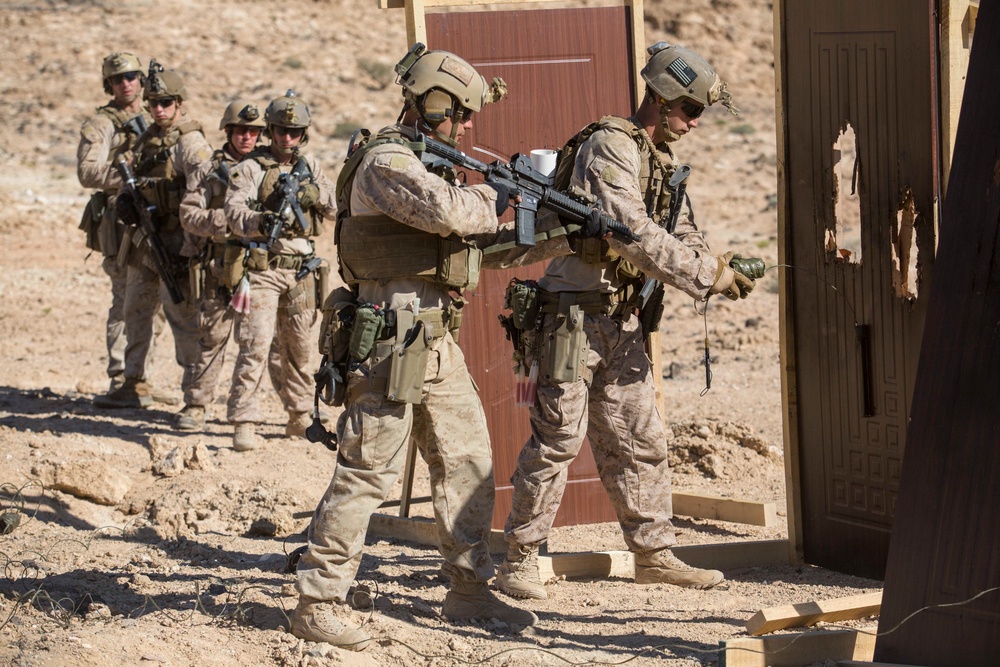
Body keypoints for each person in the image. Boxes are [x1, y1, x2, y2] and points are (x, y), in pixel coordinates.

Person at [290, 44, 536, 651]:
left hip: (432, 336)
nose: (469, 127)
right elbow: (449, 211)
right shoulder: (387, 161)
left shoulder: (426, 161)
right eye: (463, 114)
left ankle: (468, 587)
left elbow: (461, 243)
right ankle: (318, 599)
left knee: (467, 460)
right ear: (433, 104)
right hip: (388, 339)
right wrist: (496, 195)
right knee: (367, 471)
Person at [495, 41, 756, 601]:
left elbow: (679, 230)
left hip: (622, 322)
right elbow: (630, 232)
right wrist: (705, 275)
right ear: (662, 99)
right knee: (556, 440)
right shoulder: (609, 146)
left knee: (640, 439)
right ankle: (518, 558)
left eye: (699, 114)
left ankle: (654, 555)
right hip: (572, 320)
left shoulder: (658, 160)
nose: (693, 123)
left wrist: (714, 267)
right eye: (690, 110)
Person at [222, 90, 335, 451]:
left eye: (295, 132)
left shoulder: (311, 167)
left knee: (300, 347)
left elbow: (336, 206)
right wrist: (262, 218)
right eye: (281, 131)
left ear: (304, 134)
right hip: (263, 268)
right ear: (270, 130)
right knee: (254, 345)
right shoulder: (251, 168)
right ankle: (244, 419)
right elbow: (232, 212)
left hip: (301, 271)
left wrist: (313, 195)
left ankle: (300, 414)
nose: (287, 139)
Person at [97, 62, 213, 409]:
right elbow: (125, 175)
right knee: (135, 311)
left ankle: (195, 401)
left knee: (184, 322)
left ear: (179, 103)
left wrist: (191, 248)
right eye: (152, 103)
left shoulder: (191, 144)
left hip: (178, 246)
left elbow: (204, 195)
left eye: (165, 103)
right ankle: (134, 382)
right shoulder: (148, 138)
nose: (158, 110)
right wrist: (124, 204)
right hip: (143, 244)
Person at [175, 99, 284, 434]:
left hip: (258, 268)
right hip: (216, 266)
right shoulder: (209, 170)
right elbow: (189, 214)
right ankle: (196, 404)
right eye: (240, 131)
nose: (247, 137)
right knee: (210, 338)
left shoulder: (269, 168)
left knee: (255, 344)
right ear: (228, 132)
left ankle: (244, 417)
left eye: (253, 131)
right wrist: (233, 221)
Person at [77, 52, 165, 400]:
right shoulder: (102, 124)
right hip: (119, 220)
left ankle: (141, 376)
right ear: (108, 84)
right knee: (123, 302)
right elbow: (88, 172)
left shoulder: (153, 115)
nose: (126, 83)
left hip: (152, 220)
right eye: (118, 79)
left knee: (152, 301)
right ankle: (120, 377)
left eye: (131, 76)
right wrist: (130, 175)